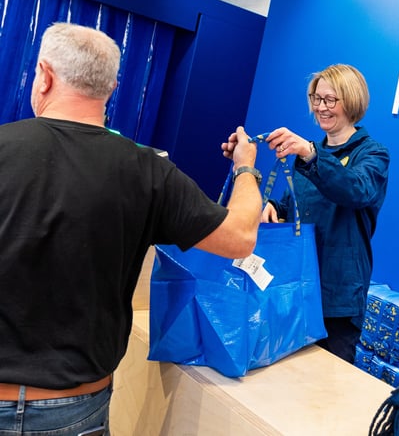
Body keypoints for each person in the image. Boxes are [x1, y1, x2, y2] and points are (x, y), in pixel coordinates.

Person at [0, 22, 263, 435]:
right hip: (74, 408)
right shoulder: (148, 171)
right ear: (112, 87)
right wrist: (246, 168)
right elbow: (240, 237)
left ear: (45, 76)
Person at [261, 64, 390, 363]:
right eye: (316, 99)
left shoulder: (373, 154)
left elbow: (355, 190)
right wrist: (273, 208)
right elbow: (294, 206)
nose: (321, 107)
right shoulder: (309, 154)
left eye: (330, 100)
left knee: (329, 382)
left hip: (338, 298)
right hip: (297, 288)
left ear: (352, 101)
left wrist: (310, 154)